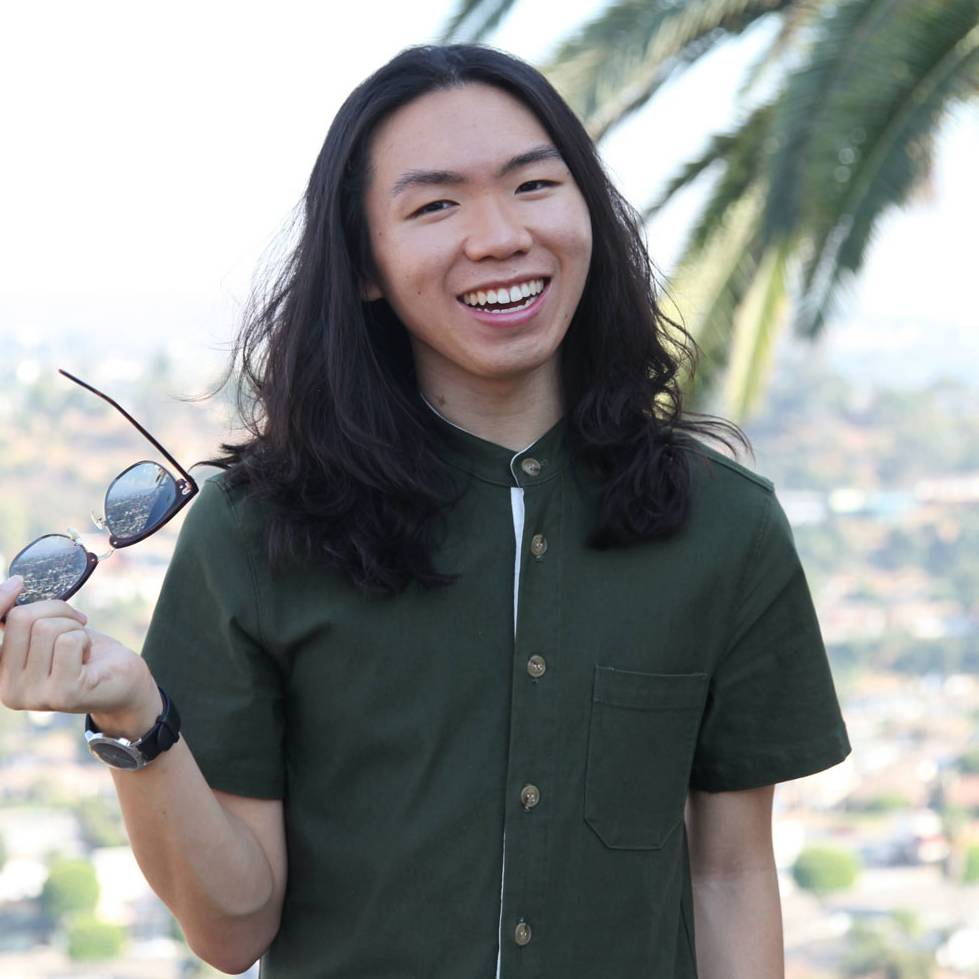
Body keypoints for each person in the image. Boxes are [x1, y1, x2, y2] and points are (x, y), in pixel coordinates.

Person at [0, 44, 851, 978]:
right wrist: (137, 714)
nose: (498, 236)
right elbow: (231, 930)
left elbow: (729, 875)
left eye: (533, 185)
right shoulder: (255, 532)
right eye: (435, 205)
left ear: (590, 215)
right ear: (365, 264)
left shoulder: (723, 525)